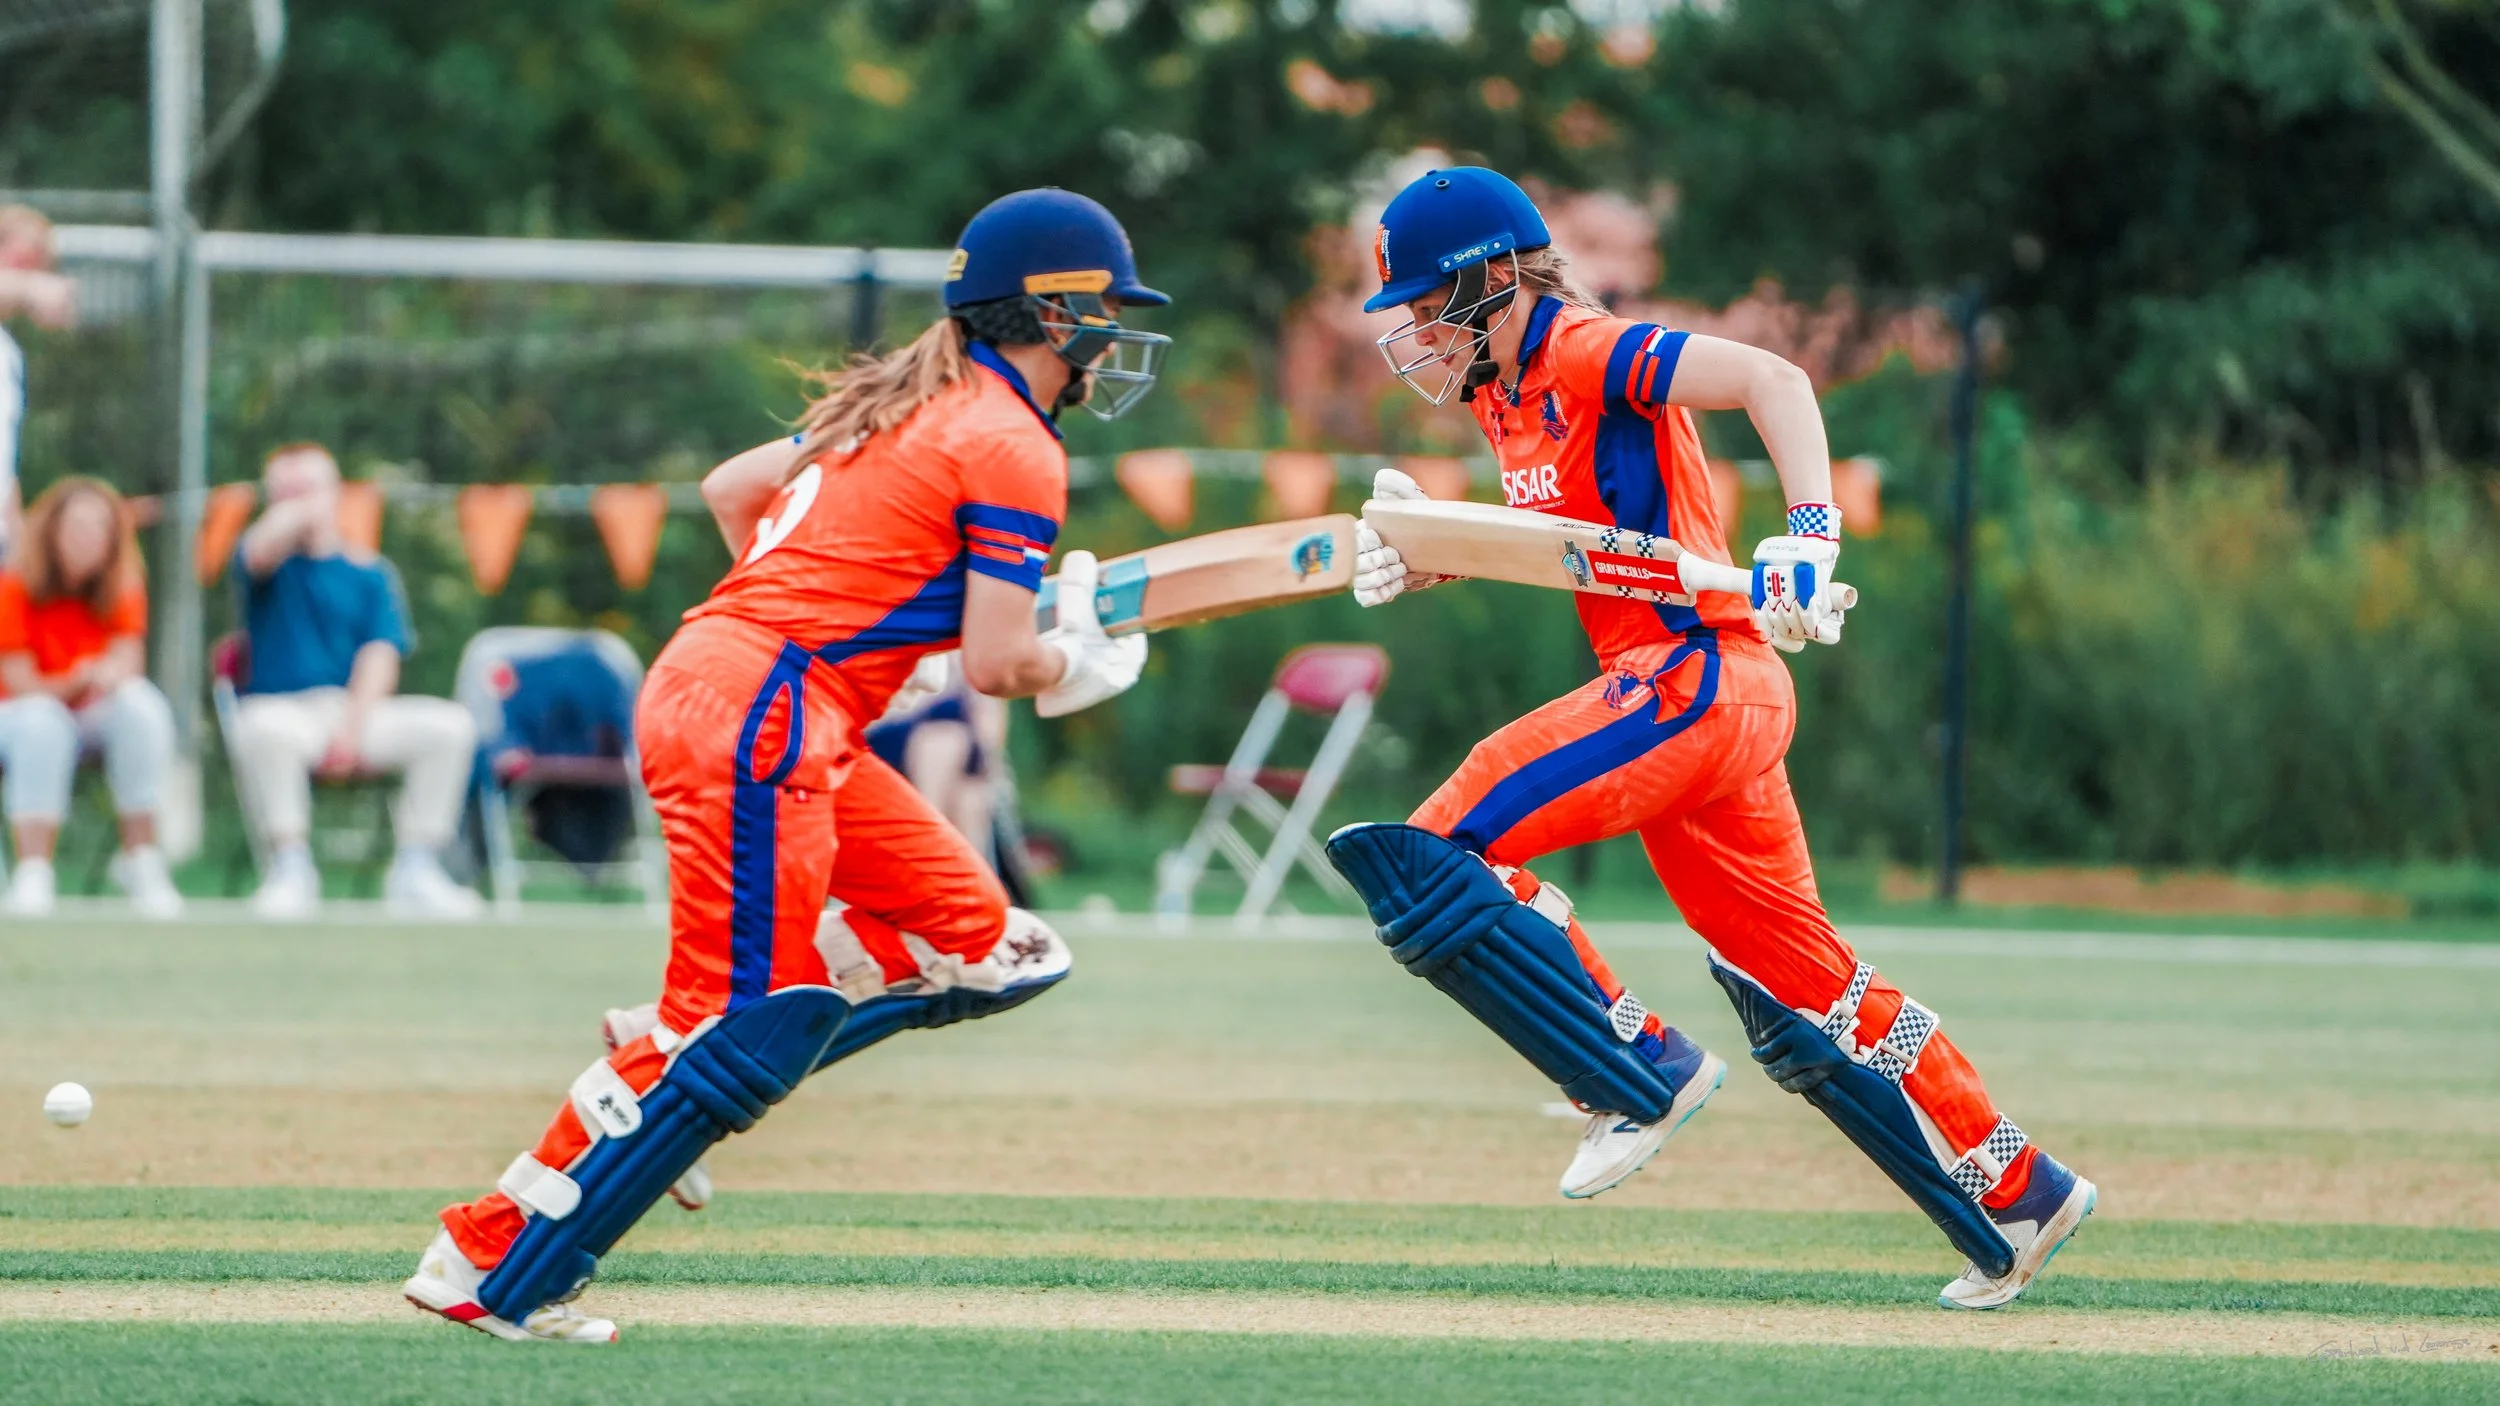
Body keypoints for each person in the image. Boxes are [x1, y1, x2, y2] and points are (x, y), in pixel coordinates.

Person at [403, 187, 1166, 1343]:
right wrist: (1078, 659)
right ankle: (493, 1261)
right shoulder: (1010, 438)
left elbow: (732, 490)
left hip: (746, 687)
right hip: (763, 710)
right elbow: (1005, 662)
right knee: (726, 1022)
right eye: (1103, 308)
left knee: (993, 943)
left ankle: (671, 1081)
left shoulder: (912, 395)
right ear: (1050, 313)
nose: (1114, 334)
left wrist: (858, 641)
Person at [1336, 168, 2094, 1311]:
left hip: (1692, 677)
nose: (1419, 337)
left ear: (1495, 278)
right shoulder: (1503, 397)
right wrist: (1434, 548)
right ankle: (2018, 1186)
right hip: (1698, 692)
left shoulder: (1581, 348)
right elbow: (1576, 542)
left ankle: (1639, 1065)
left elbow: (1770, 377)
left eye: (1431, 305)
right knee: (1799, 986)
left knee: (1443, 841)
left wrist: (1809, 533)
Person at [228, 443, 482, 919]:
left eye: (306, 490)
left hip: (356, 713)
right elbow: (259, 551)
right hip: (285, 712)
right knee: (261, 728)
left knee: (450, 727)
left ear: (334, 493)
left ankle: (417, 867)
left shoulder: (371, 575)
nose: (296, 503)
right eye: (283, 493)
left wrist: (351, 728)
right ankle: (290, 866)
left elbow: (380, 657)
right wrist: (291, 510)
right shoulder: (261, 566)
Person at [0, 477, 182, 917]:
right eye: (77, 526)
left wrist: (107, 676)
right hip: (20, 717)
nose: (87, 537)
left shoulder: (123, 585)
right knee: (43, 720)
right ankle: (34, 870)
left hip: (89, 715)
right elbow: (18, 681)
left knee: (142, 706)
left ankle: (141, 859)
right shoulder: (14, 584)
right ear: (52, 531)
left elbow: (127, 662)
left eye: (99, 527)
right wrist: (76, 680)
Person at [0, 205, 78, 561]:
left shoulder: (8, 354)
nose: (27, 269)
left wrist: (15, 531)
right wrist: (29, 288)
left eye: (35, 262)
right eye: (19, 256)